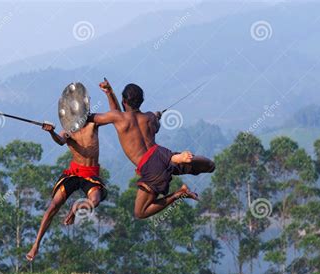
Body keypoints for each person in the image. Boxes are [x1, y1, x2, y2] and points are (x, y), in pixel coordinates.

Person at [90, 80, 215, 219]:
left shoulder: (118, 118)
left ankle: (179, 193)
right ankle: (191, 161)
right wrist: (156, 116)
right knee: (208, 166)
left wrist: (104, 97)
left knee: (140, 212)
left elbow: (92, 118)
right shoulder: (150, 118)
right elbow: (154, 125)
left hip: (151, 167)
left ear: (124, 101)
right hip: (161, 155)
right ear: (141, 101)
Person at [26, 81, 117, 261]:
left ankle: (75, 209)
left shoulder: (93, 122)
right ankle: (36, 244)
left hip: (90, 175)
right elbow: (61, 141)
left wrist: (109, 93)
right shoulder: (68, 129)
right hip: (73, 173)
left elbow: (115, 115)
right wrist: (51, 132)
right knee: (53, 206)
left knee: (95, 200)